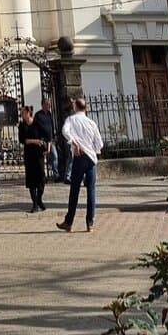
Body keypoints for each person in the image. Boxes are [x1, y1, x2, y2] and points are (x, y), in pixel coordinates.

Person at [56, 97, 104, 234]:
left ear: (75, 107)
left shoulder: (71, 120)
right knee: (91, 191)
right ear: (85, 108)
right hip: (91, 159)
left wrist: (74, 142)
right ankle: (90, 224)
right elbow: (99, 143)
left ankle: (69, 222)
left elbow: (65, 131)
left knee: (74, 190)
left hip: (79, 157)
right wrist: (93, 150)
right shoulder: (92, 123)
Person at [18, 104, 48, 213]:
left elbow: (46, 135)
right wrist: (35, 141)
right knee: (31, 180)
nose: (22, 115)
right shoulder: (22, 126)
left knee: (41, 178)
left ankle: (39, 199)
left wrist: (46, 147)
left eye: (23, 113)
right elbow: (23, 140)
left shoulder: (37, 123)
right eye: (21, 113)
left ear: (28, 113)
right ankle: (35, 204)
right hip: (29, 154)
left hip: (38, 154)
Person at [34, 98, 60, 181]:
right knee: (42, 159)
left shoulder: (49, 114)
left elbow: (51, 126)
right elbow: (36, 128)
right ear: (43, 105)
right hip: (43, 140)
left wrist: (53, 135)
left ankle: (56, 175)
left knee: (55, 156)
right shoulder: (38, 115)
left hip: (51, 139)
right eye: (47, 104)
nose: (49, 105)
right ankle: (43, 176)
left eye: (49, 104)